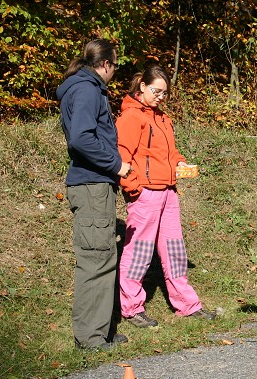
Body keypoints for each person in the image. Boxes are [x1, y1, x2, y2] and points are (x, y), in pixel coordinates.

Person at [115, 64, 215, 328]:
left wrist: (179, 163)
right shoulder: (130, 117)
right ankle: (131, 307)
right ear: (142, 87)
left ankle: (187, 305)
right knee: (139, 253)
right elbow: (121, 156)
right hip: (145, 194)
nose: (160, 96)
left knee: (174, 252)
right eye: (156, 91)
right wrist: (134, 187)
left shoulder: (162, 118)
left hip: (169, 192)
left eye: (165, 93)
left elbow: (170, 153)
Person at [56, 39, 131, 350]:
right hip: (91, 185)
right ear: (105, 64)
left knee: (102, 256)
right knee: (96, 259)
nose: (114, 72)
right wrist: (116, 164)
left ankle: (100, 330)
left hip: (92, 184)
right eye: (114, 66)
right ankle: (90, 338)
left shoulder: (82, 87)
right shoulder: (87, 89)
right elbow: (82, 139)